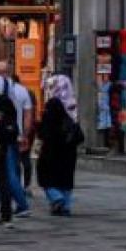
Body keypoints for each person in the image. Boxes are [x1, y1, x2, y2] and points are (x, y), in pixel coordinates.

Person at [0, 60, 32, 223]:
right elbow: (27, 114)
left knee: (4, 172)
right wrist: (24, 135)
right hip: (12, 132)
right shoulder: (20, 89)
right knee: (8, 170)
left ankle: (22, 204)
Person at [38, 74, 82, 216]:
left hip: (53, 148)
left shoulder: (53, 103)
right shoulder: (72, 103)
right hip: (69, 148)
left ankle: (57, 198)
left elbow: (46, 128)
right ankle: (65, 207)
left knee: (45, 176)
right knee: (66, 177)